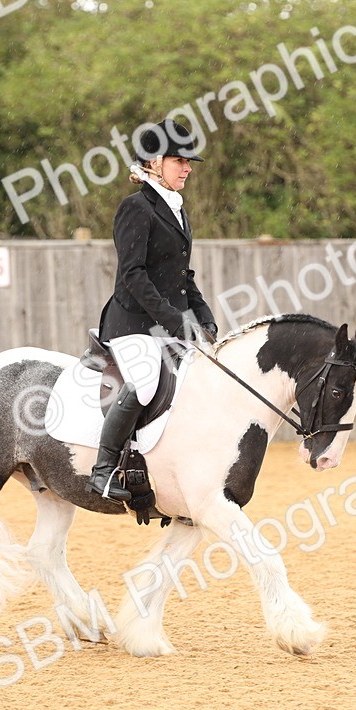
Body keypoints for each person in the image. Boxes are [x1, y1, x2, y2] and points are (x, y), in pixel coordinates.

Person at [87, 119, 218, 501]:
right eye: (180, 161)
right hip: (132, 324)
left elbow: (182, 276)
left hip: (167, 324)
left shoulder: (177, 209)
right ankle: (104, 470)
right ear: (155, 163)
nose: (188, 168)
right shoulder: (136, 207)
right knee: (145, 381)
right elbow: (133, 275)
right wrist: (174, 320)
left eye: (189, 162)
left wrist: (202, 313)